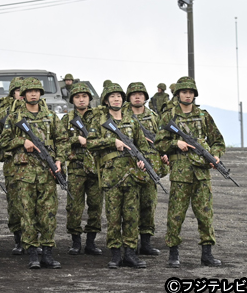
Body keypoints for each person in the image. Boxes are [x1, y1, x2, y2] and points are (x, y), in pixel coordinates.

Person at [154, 76, 225, 268]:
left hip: (201, 175)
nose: (188, 95)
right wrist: (175, 143)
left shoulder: (203, 115)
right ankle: (174, 254)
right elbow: (159, 143)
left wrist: (216, 155)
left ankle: (207, 254)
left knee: (205, 215)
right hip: (180, 174)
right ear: (178, 94)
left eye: (191, 92)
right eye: (184, 92)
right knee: (176, 215)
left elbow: (218, 140)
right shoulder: (169, 117)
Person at [0, 77, 68, 269]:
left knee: (48, 214)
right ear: (24, 94)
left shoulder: (51, 117)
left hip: (47, 173)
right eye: (30, 91)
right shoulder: (15, 118)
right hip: (24, 174)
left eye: (37, 91)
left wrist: (60, 160)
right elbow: (3, 142)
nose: (34, 94)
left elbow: (62, 140)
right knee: (27, 214)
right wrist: (22, 141)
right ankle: (32, 254)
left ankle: (47, 253)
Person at [87, 83, 151, 269]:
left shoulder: (131, 120)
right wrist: (112, 142)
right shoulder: (99, 122)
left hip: (132, 176)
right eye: (112, 96)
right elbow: (91, 143)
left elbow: (142, 146)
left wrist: (142, 161)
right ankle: (115, 254)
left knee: (131, 216)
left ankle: (130, 253)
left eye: (119, 96)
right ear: (106, 100)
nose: (116, 99)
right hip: (112, 175)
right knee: (114, 217)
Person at [124, 82, 169, 256]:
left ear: (145, 97)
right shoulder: (123, 116)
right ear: (129, 97)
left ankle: (146, 243)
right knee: (130, 207)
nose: (137, 97)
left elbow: (162, 139)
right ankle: (129, 243)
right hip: (129, 167)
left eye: (140, 94)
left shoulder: (153, 117)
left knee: (148, 205)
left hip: (150, 167)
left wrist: (164, 155)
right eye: (134, 94)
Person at [61, 82, 103, 256]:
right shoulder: (67, 119)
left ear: (89, 99)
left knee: (95, 205)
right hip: (76, 167)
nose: (81, 100)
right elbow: (60, 141)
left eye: (84, 96)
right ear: (72, 100)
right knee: (74, 206)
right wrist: (76, 139)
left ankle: (91, 242)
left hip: (95, 167)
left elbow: (104, 138)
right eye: (77, 97)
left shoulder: (99, 117)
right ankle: (76, 241)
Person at [0, 76, 29, 255]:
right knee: (15, 203)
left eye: (25, 91)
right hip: (12, 162)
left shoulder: (39, 110)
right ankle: (19, 239)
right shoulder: (6, 112)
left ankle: (33, 240)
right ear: (13, 93)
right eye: (18, 91)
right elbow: (0, 138)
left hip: (33, 164)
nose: (22, 95)